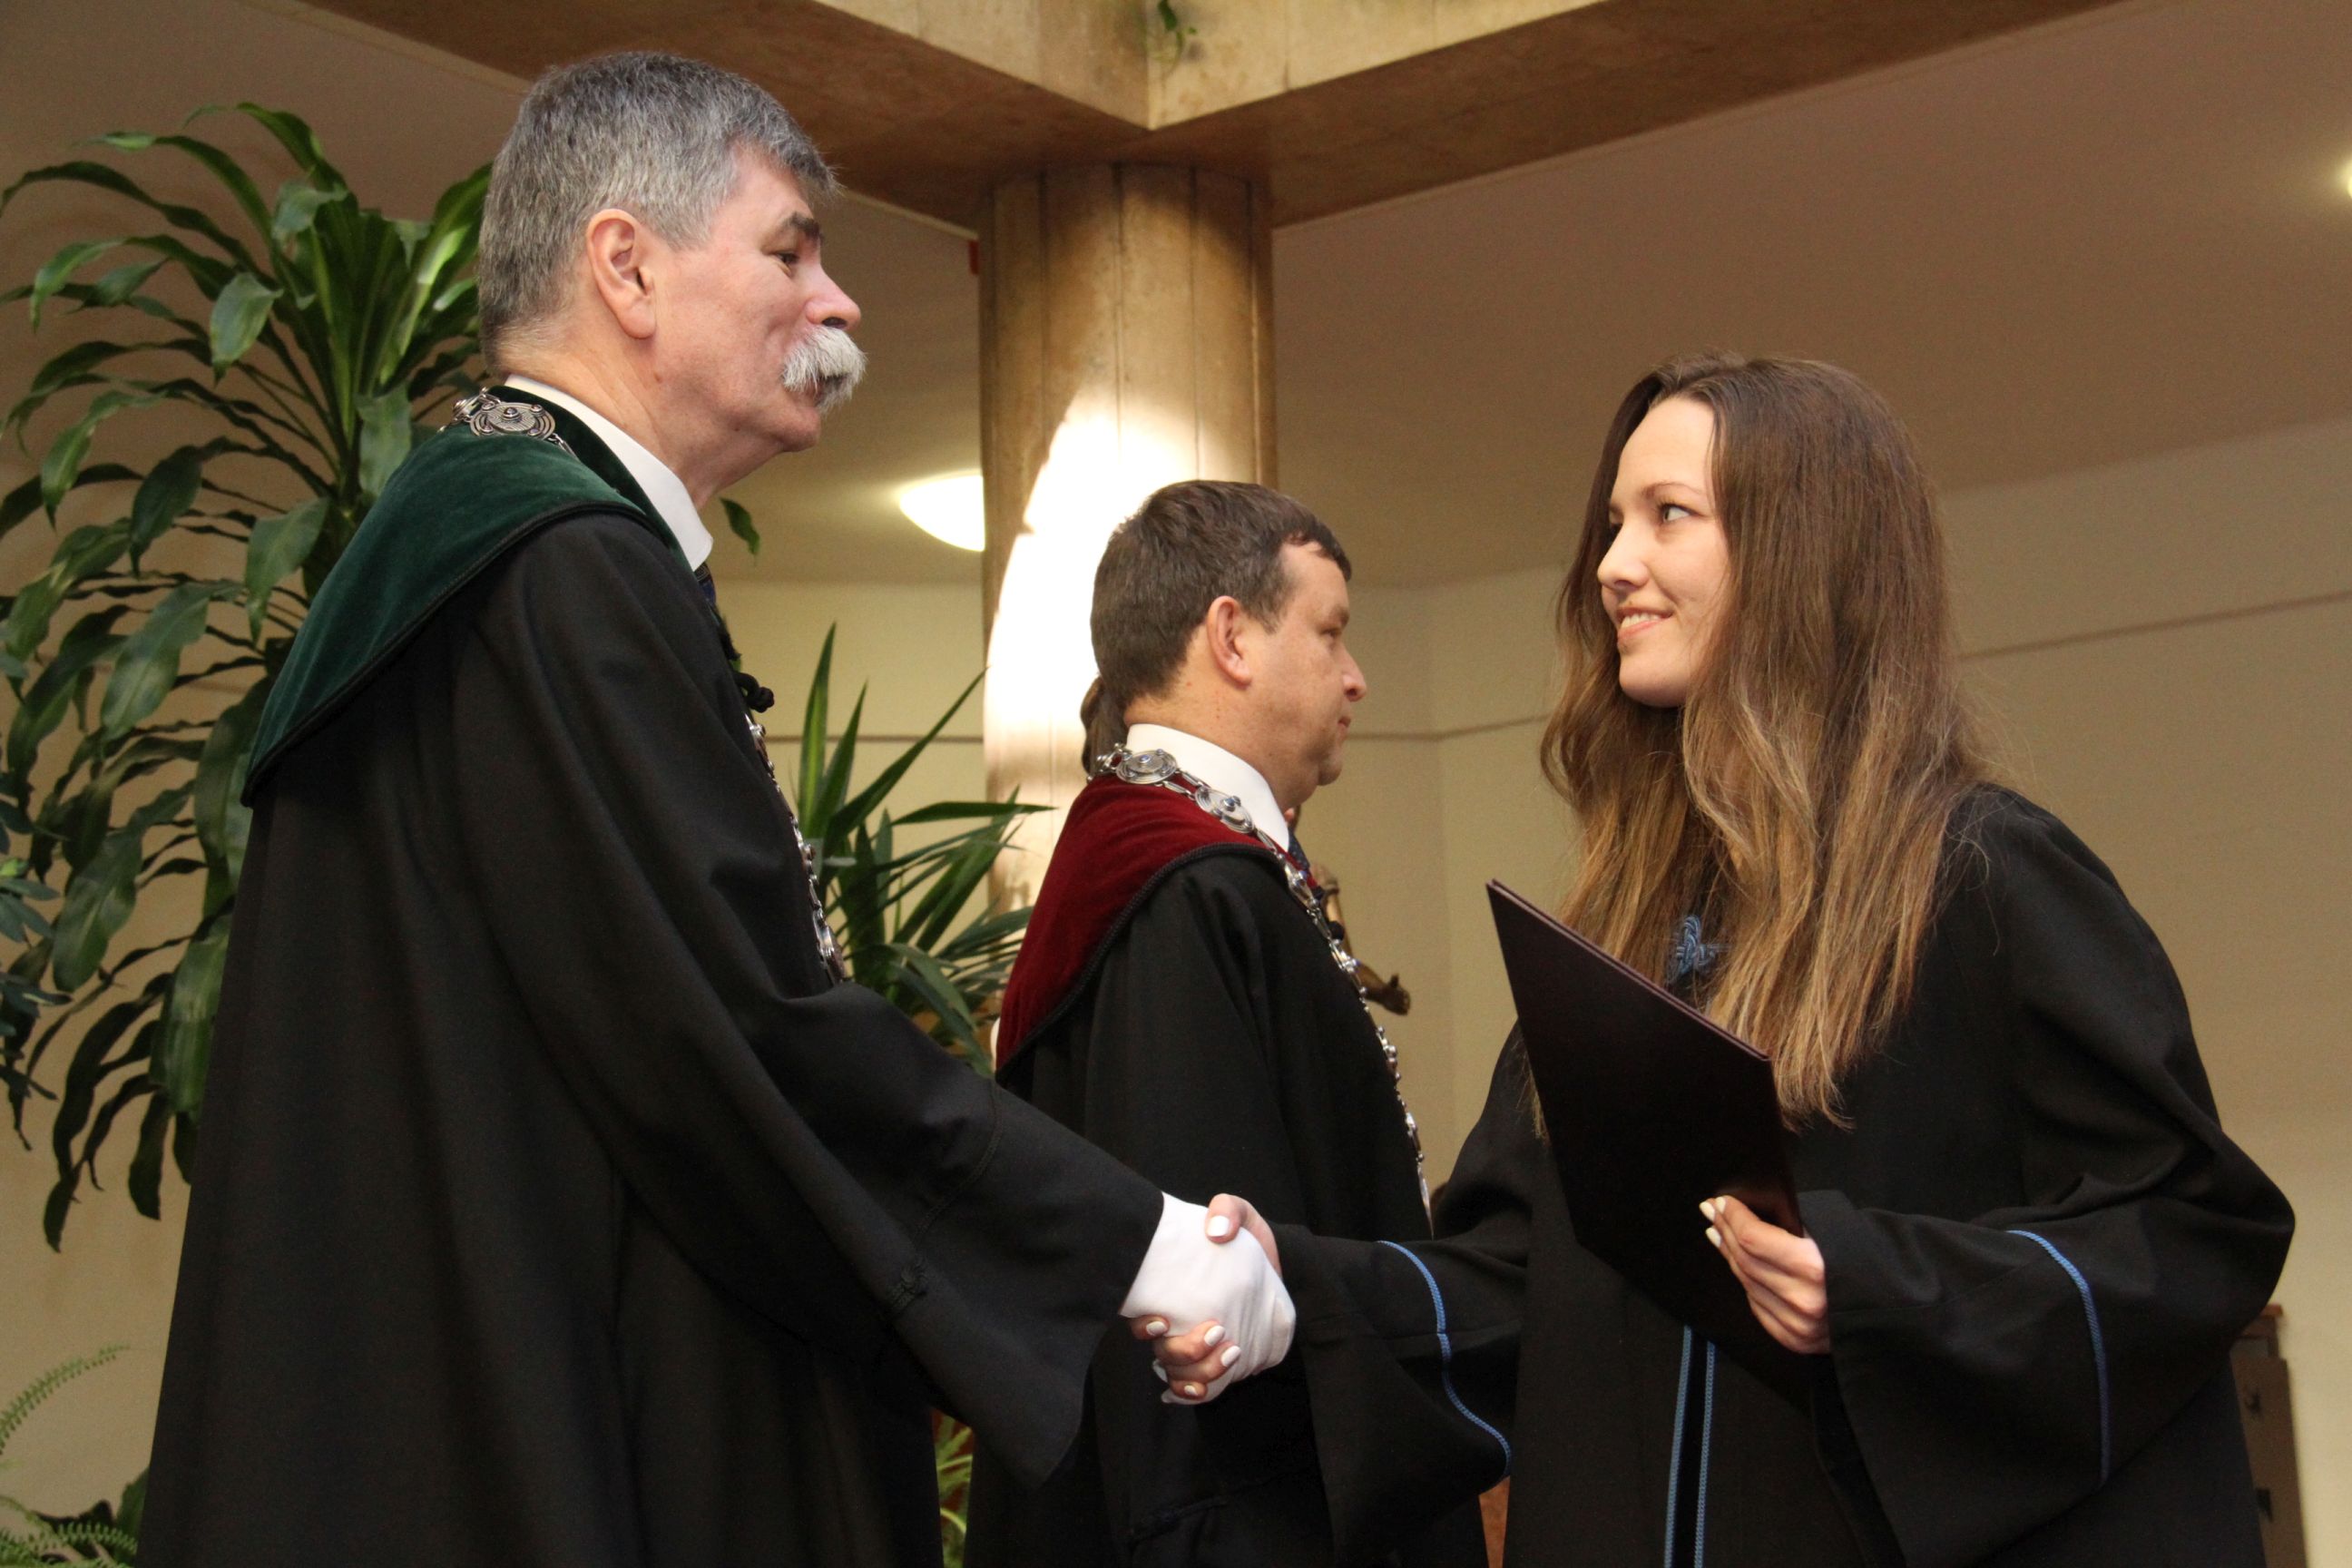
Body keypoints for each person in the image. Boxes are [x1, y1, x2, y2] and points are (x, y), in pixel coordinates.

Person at [140, 54, 1289, 1568]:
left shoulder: (491, 546)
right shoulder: (559, 568)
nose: (838, 302)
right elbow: (741, 1031)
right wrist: (1143, 1249)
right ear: (626, 267)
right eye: (790, 250)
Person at [1159, 354, 2295, 1567]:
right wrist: (1295, 1294)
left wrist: (1876, 1283)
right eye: (1613, 523)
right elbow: (1515, 1282)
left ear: (1801, 557)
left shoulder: (1981, 878)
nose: (1612, 565)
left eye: (1669, 516)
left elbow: (2189, 1232)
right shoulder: (1626, 925)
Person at [964, 483, 1485, 1568]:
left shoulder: (1167, 868)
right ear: (1232, 637)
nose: (1356, 676)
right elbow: (1206, 1314)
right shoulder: (1185, 890)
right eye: (1331, 632)